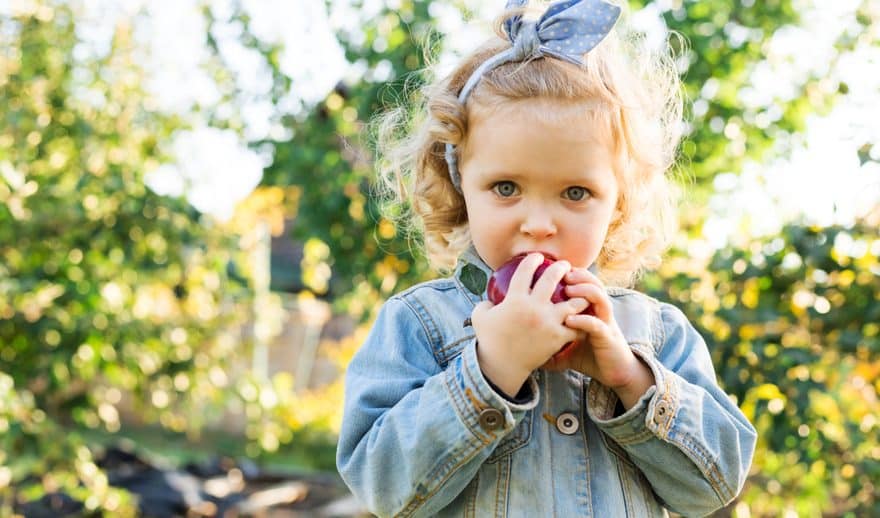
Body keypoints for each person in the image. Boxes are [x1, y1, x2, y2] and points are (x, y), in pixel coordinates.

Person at [336, 0, 757, 515]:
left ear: (617, 201)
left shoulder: (655, 333)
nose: (539, 223)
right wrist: (490, 372)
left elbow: (715, 483)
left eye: (576, 193)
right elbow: (381, 485)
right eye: (506, 187)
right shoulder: (420, 326)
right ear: (460, 184)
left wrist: (629, 377)